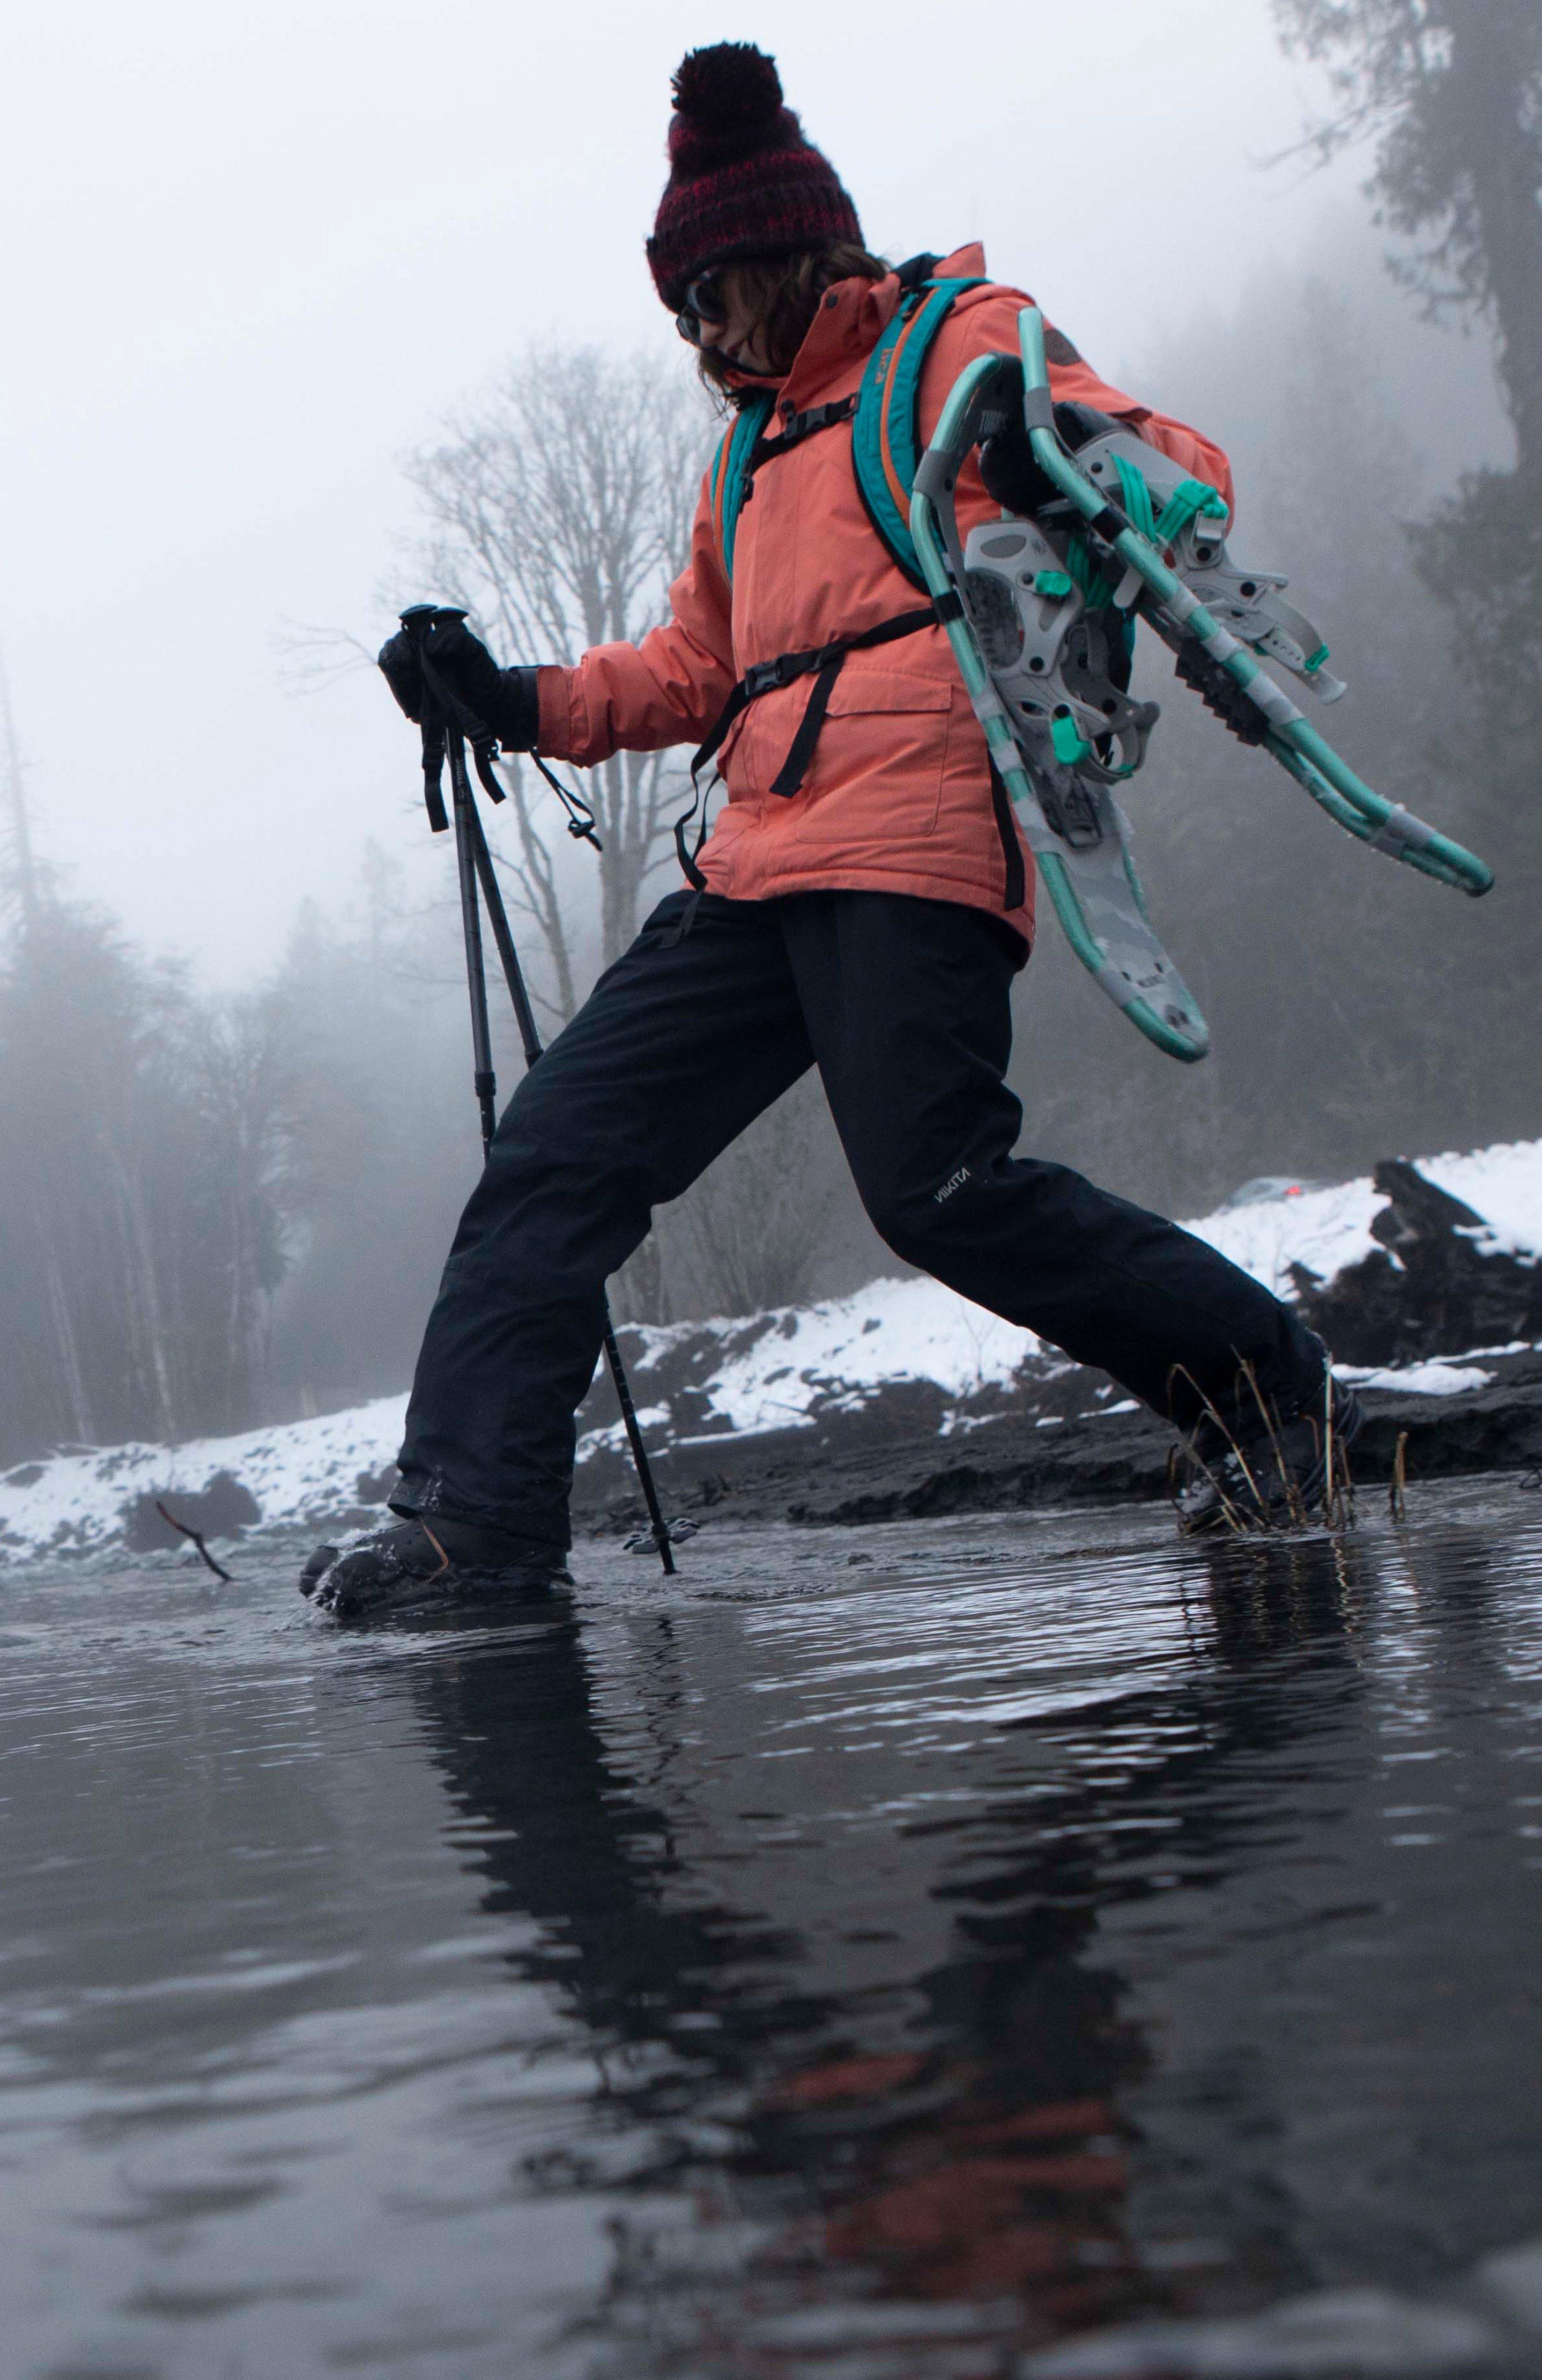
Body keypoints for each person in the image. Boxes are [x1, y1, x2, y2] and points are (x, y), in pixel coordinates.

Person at [301, 41, 1354, 1618]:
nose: (696, 333)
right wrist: (506, 697)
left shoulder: (962, 343)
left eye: (707, 296)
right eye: (679, 311)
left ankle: (1268, 1392)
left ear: (784, 252)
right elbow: (692, 670)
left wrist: (1048, 466)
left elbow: (1178, 474)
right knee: (554, 1156)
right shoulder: (746, 453)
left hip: (923, 822)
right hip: (759, 858)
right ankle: (474, 1526)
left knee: (937, 1190)